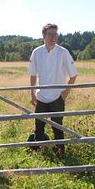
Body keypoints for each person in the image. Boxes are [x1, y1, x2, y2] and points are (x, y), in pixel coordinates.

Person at [28, 23, 78, 157]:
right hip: (41, 96)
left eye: (55, 34)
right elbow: (32, 74)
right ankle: (38, 151)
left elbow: (73, 75)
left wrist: (65, 92)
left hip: (57, 96)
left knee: (58, 126)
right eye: (50, 34)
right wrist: (32, 93)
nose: (53, 37)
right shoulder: (37, 52)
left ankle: (60, 152)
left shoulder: (62, 52)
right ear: (43, 35)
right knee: (39, 125)